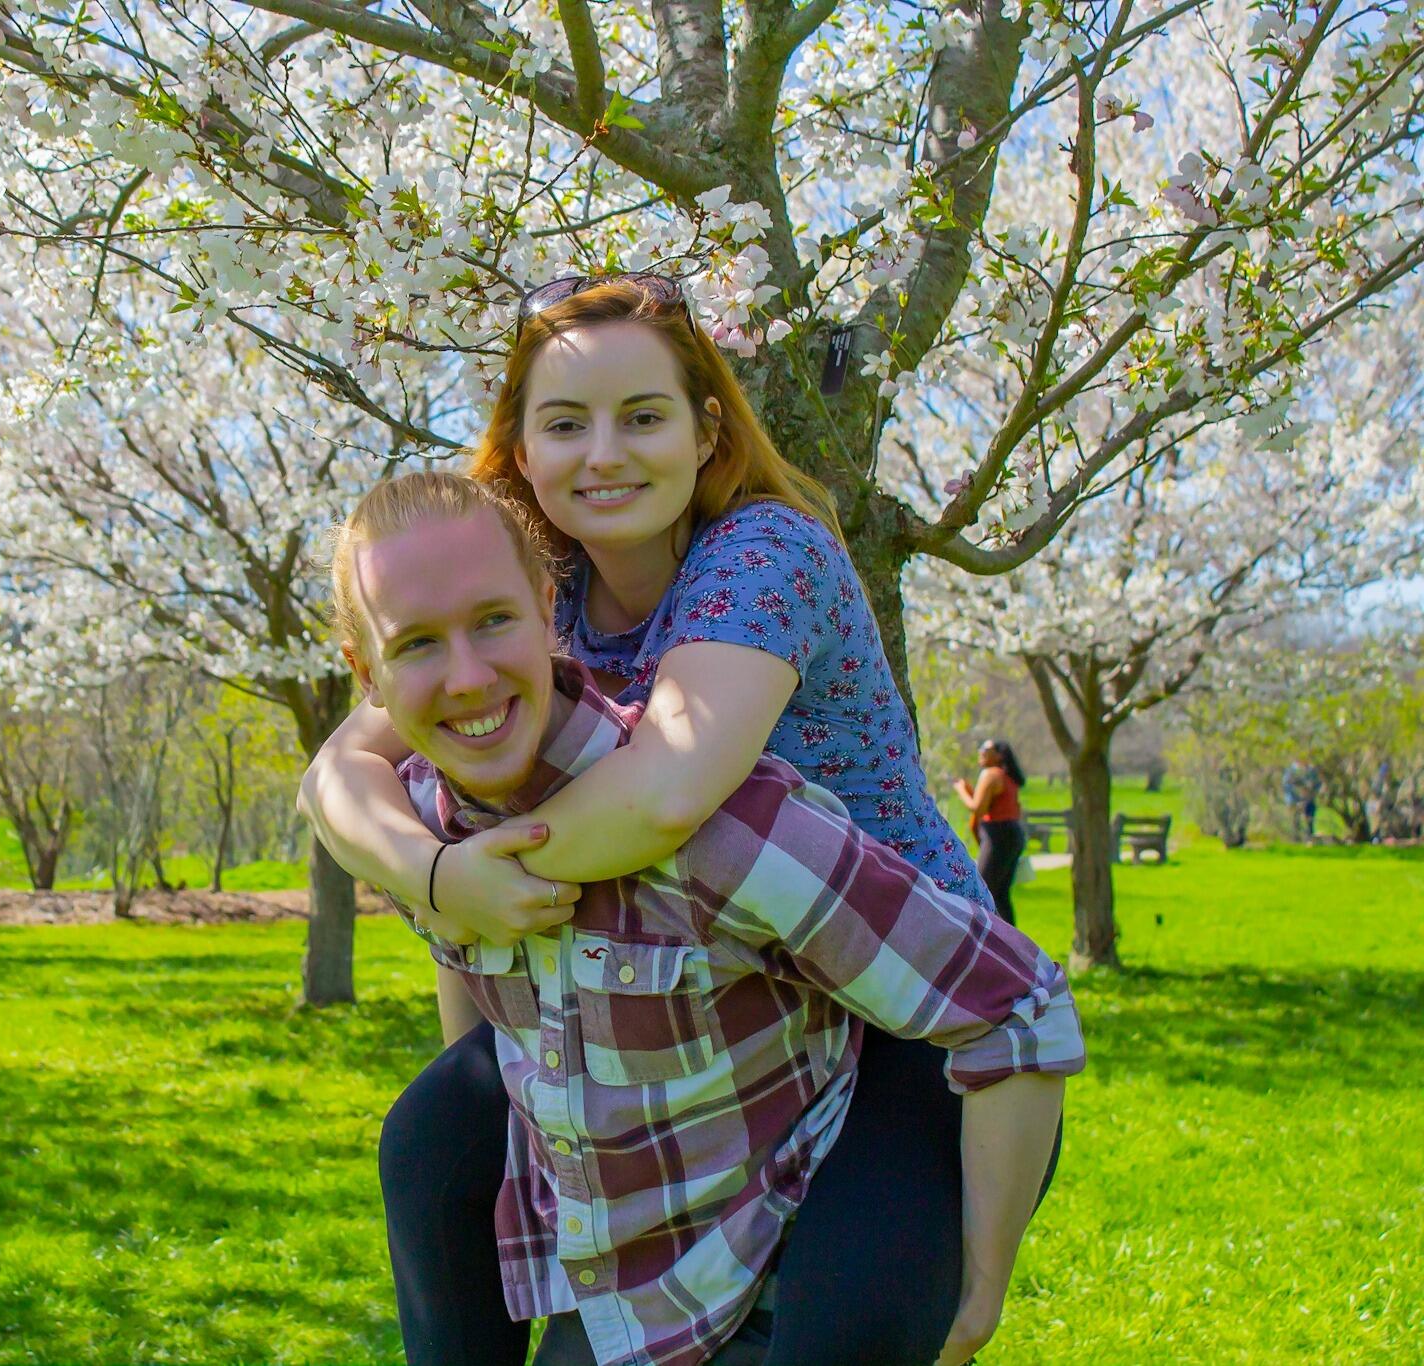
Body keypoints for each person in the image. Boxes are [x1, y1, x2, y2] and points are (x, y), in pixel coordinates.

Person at [301, 276, 1011, 1366]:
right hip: (689, 1006)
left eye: (642, 416)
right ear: (520, 450)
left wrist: (470, 873)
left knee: (843, 1321)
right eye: (564, 423)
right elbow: (341, 768)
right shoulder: (519, 598)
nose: (603, 454)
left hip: (898, 1004)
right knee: (435, 1141)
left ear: (703, 429)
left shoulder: (761, 555)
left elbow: (662, 794)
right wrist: (445, 886)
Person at [953, 740, 1028, 925]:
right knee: (1001, 895)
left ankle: (983, 940)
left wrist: (961, 790)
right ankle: (1013, 946)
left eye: (985, 749)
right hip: (1012, 834)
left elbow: (977, 808)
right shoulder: (1007, 777)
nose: (980, 751)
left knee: (981, 891)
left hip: (998, 834)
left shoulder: (991, 774)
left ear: (999, 755)